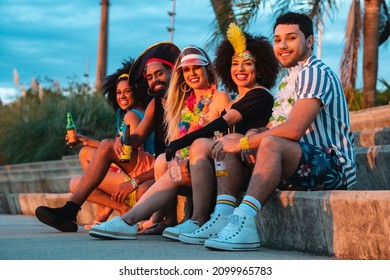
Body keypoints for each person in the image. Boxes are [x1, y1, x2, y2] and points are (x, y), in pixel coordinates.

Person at [202, 12, 356, 251]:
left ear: (310, 41)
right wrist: (249, 136)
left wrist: (246, 143)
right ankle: (223, 214)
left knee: (265, 143)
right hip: (300, 160)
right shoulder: (291, 77)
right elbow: (275, 127)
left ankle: (245, 221)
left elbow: (293, 130)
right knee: (230, 139)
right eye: (277, 39)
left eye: (291, 38)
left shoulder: (315, 72)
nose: (283, 45)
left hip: (334, 166)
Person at [87, 46, 231, 240]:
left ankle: (190, 219)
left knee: (173, 165)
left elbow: (226, 139)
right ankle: (139, 220)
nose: (192, 74)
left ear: (208, 69)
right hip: (188, 168)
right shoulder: (185, 104)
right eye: (186, 70)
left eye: (196, 67)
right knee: (164, 161)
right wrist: (124, 140)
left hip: (212, 168)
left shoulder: (219, 97)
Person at [35, 42, 180, 233]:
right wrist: (124, 140)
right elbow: (138, 137)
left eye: (159, 74)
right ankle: (70, 210)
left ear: (173, 71)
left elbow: (171, 157)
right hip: (158, 166)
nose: (154, 80)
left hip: (170, 167)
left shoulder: (183, 100)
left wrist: (134, 182)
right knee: (106, 145)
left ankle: (126, 215)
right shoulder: (156, 103)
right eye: (150, 77)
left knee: (144, 190)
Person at [163, 23, 280, 241]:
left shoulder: (259, 95)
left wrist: (178, 144)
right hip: (233, 163)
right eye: (235, 64)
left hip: (252, 164)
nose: (240, 69)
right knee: (209, 145)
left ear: (260, 68)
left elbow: (219, 124)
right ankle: (207, 217)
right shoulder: (238, 99)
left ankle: (210, 217)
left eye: (248, 64)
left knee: (211, 143)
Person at [67, 59, 154, 229]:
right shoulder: (141, 112)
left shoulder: (132, 116)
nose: (122, 96)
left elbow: (131, 155)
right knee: (86, 152)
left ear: (137, 91)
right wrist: (87, 140)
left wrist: (129, 180)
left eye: (127, 91)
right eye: (118, 92)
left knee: (77, 182)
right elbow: (118, 149)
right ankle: (112, 208)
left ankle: (120, 208)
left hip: (140, 174)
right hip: (141, 168)